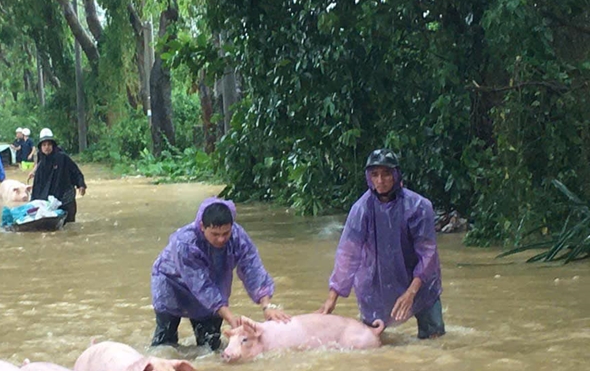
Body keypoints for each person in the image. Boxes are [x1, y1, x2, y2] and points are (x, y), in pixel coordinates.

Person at [318, 148, 445, 338]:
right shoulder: (361, 209)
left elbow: (427, 254)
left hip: (420, 282)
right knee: (373, 340)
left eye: (386, 174)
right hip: (376, 282)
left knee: (434, 339)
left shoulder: (419, 207)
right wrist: (332, 298)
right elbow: (348, 255)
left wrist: (411, 292)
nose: (380, 180)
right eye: (375, 174)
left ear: (396, 175)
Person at [150, 198, 290, 351]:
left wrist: (267, 305)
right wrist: (229, 316)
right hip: (172, 284)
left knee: (210, 347)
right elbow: (201, 286)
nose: (221, 239)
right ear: (203, 227)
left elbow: (253, 268)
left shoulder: (237, 236)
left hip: (213, 285)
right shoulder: (184, 243)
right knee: (165, 344)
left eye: (226, 233)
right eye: (215, 234)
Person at [30, 128, 87, 222]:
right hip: (50, 203)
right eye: (44, 145)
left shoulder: (62, 158)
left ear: (53, 145)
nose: (47, 147)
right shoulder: (40, 166)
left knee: (69, 226)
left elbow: (76, 172)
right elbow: (37, 188)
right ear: (41, 147)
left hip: (66, 199)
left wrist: (81, 185)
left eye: (49, 144)